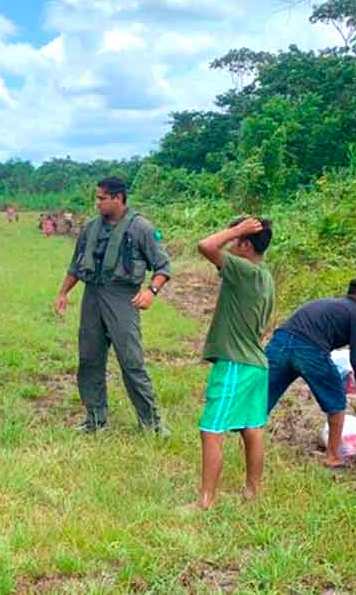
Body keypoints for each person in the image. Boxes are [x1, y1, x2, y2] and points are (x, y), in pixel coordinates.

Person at [54, 176, 172, 434]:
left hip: (122, 298)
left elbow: (163, 267)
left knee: (131, 361)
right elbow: (76, 265)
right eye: (96, 198)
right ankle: (95, 418)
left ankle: (151, 424)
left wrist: (151, 291)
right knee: (89, 358)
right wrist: (63, 293)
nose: (97, 203)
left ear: (118, 198)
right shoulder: (90, 227)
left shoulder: (141, 228)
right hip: (92, 296)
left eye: (101, 198)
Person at [194, 217, 275, 509]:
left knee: (211, 428)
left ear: (245, 244)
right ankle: (252, 492)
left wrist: (238, 229)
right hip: (256, 363)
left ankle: (205, 501)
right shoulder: (264, 276)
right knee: (251, 427)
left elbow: (205, 246)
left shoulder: (243, 270)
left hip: (235, 364)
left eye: (236, 240)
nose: (230, 245)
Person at [265, 277, 356, 467]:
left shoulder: (327, 304)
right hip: (310, 350)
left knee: (263, 395)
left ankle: (244, 441)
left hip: (280, 341)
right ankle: (332, 457)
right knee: (336, 400)